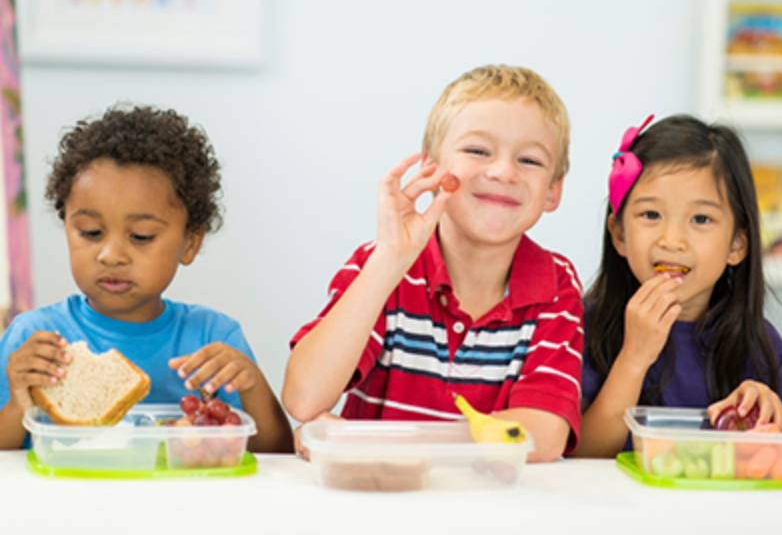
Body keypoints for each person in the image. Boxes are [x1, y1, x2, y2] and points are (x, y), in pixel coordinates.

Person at [283, 65, 584, 462]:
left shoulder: (556, 284)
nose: (503, 172)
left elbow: (543, 432)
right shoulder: (379, 266)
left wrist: (377, 442)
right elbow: (304, 399)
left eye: (529, 160)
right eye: (478, 151)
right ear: (432, 169)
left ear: (553, 191)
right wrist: (389, 261)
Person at [0, 105, 293, 452]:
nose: (110, 255)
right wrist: (19, 402)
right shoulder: (34, 337)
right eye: (90, 232)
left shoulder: (213, 336)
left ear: (190, 242)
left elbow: (276, 456)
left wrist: (252, 386)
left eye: (140, 236)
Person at [575, 114, 782, 458]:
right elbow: (584, 453)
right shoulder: (581, 330)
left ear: (737, 245)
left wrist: (772, 421)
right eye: (651, 215)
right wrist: (634, 358)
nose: (673, 240)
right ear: (619, 234)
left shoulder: (760, 348)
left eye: (701, 219)